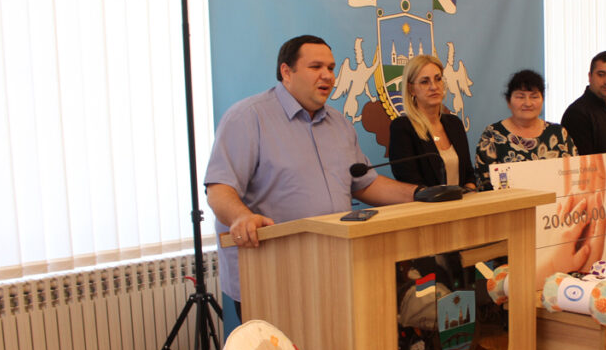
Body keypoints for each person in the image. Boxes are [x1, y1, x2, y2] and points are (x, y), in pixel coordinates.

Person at [204, 35, 418, 310]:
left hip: (333, 269)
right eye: (316, 67)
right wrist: (241, 217)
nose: (327, 75)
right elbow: (219, 189)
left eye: (331, 68)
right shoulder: (247, 117)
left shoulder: (339, 124)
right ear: (286, 72)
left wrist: (421, 194)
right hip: (270, 275)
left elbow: (364, 184)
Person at [474, 69, 577, 190]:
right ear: (508, 101)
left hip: (555, 200)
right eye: (520, 97)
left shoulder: (559, 133)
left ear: (542, 100)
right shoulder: (493, 135)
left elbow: (574, 174)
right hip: (509, 201)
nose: (528, 103)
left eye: (534, 97)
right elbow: (484, 183)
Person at [388, 54, 476, 190]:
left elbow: (469, 174)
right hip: (425, 203)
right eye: (425, 82)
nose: (434, 87)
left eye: (438, 79)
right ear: (411, 89)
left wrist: (469, 190)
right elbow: (410, 182)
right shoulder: (403, 128)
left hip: (463, 202)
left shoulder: (455, 124)